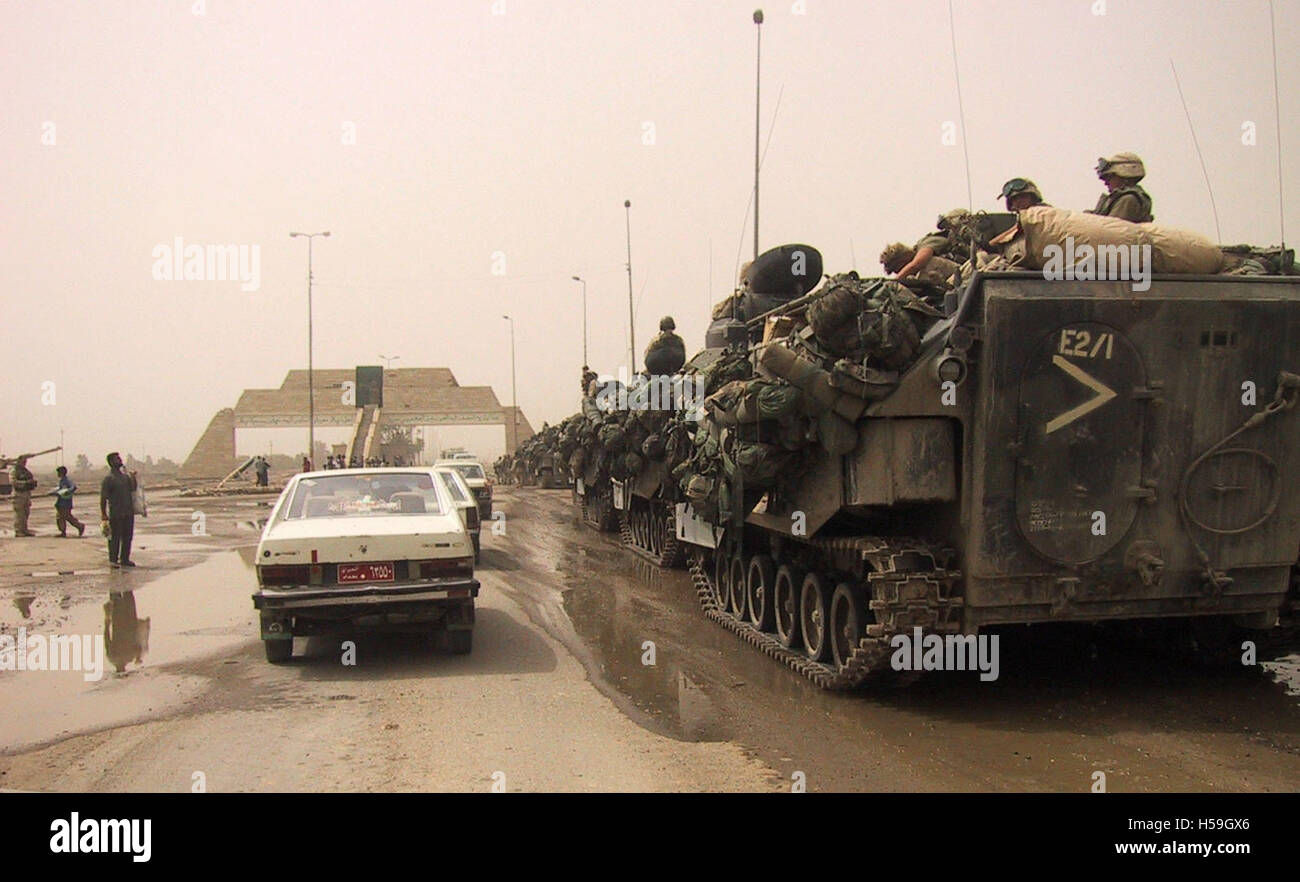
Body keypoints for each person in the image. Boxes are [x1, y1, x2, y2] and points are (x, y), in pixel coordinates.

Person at [894, 209, 976, 280]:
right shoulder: (952, 238)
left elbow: (918, 262)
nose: (950, 230)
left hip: (971, 270)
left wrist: (895, 281)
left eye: (950, 226)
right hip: (961, 273)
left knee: (931, 262)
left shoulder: (928, 242)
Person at [1089, 152, 1153, 222]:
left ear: (1124, 177)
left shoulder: (1128, 199)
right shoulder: (1119, 199)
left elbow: (1111, 228)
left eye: (1108, 177)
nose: (1106, 183)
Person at [99, 452, 137, 568]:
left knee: (127, 537)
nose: (120, 460)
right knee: (115, 537)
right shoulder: (109, 479)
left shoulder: (125, 477)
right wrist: (104, 514)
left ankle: (125, 559)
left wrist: (133, 477)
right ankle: (113, 560)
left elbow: (133, 489)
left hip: (128, 512)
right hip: (116, 513)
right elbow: (103, 498)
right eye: (117, 459)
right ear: (111, 462)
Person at [880, 242, 962, 289]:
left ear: (906, 256)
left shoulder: (930, 264)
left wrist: (894, 283)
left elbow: (916, 265)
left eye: (896, 266)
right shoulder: (914, 278)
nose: (899, 272)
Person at [51, 465, 85, 537]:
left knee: (67, 517)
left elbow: (73, 487)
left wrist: (67, 491)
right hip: (61, 501)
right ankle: (63, 532)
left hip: (65, 502)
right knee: (60, 517)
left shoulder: (67, 480)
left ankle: (80, 526)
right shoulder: (62, 481)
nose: (58, 474)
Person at [9, 455, 36, 537]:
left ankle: (24, 530)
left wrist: (31, 483)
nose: (24, 463)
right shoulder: (14, 471)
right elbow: (13, 482)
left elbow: (31, 478)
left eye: (25, 461)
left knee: (26, 513)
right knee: (19, 514)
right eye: (23, 461)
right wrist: (25, 483)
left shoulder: (25, 471)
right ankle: (18, 531)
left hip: (26, 494)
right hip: (18, 494)